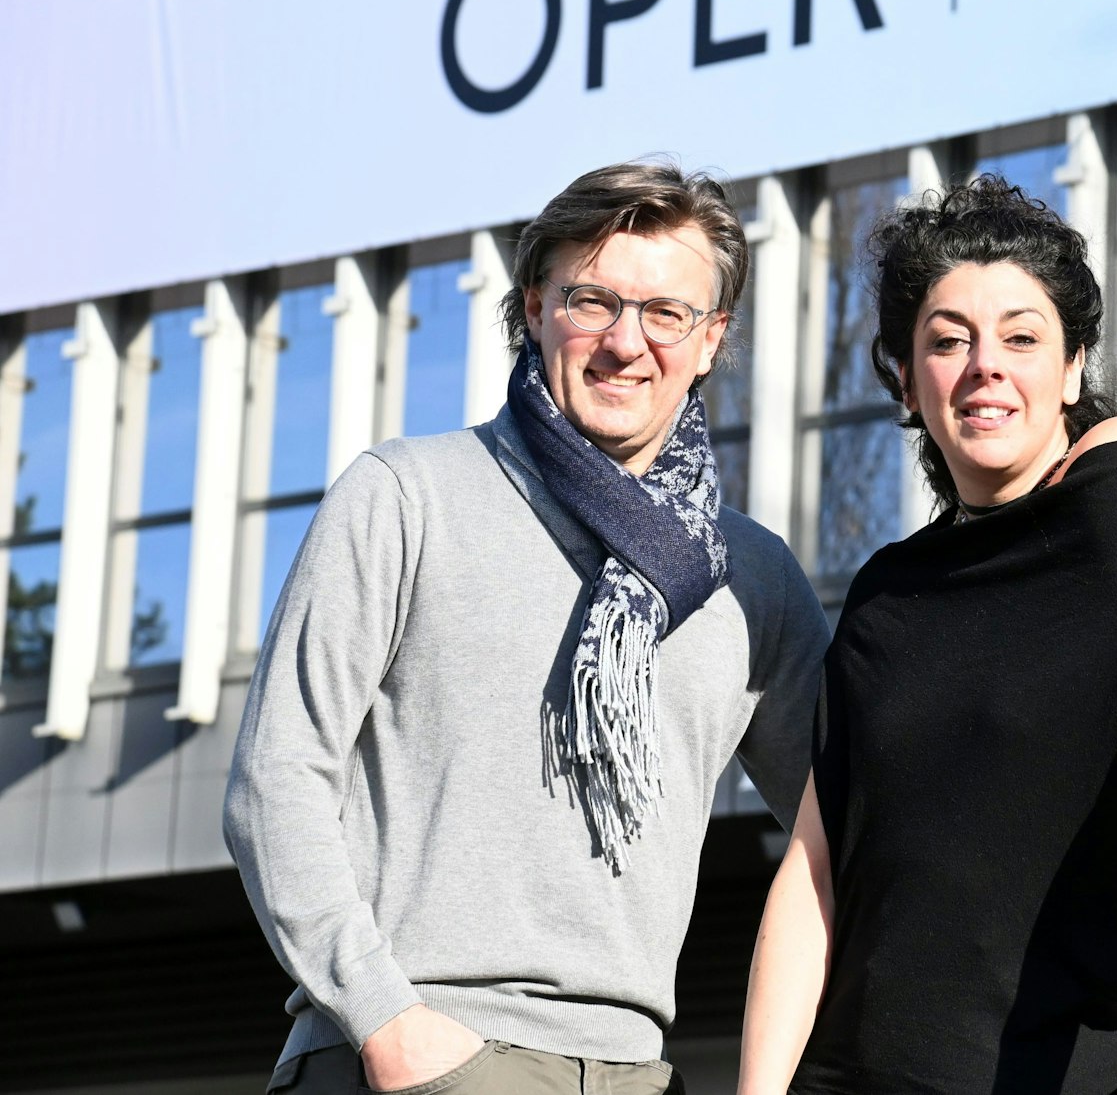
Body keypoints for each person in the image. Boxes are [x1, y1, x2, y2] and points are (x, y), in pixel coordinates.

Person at [223, 160, 829, 1095]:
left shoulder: (754, 581)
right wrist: (387, 1023)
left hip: (635, 1072)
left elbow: (857, 836)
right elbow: (276, 780)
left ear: (711, 341)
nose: (627, 342)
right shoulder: (405, 496)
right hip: (412, 1053)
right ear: (536, 304)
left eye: (666, 314)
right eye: (593, 301)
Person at [736, 176, 1117, 1095]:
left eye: (1023, 337)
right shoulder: (882, 596)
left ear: (1071, 371)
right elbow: (817, 872)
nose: (986, 364)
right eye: (948, 340)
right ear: (905, 377)